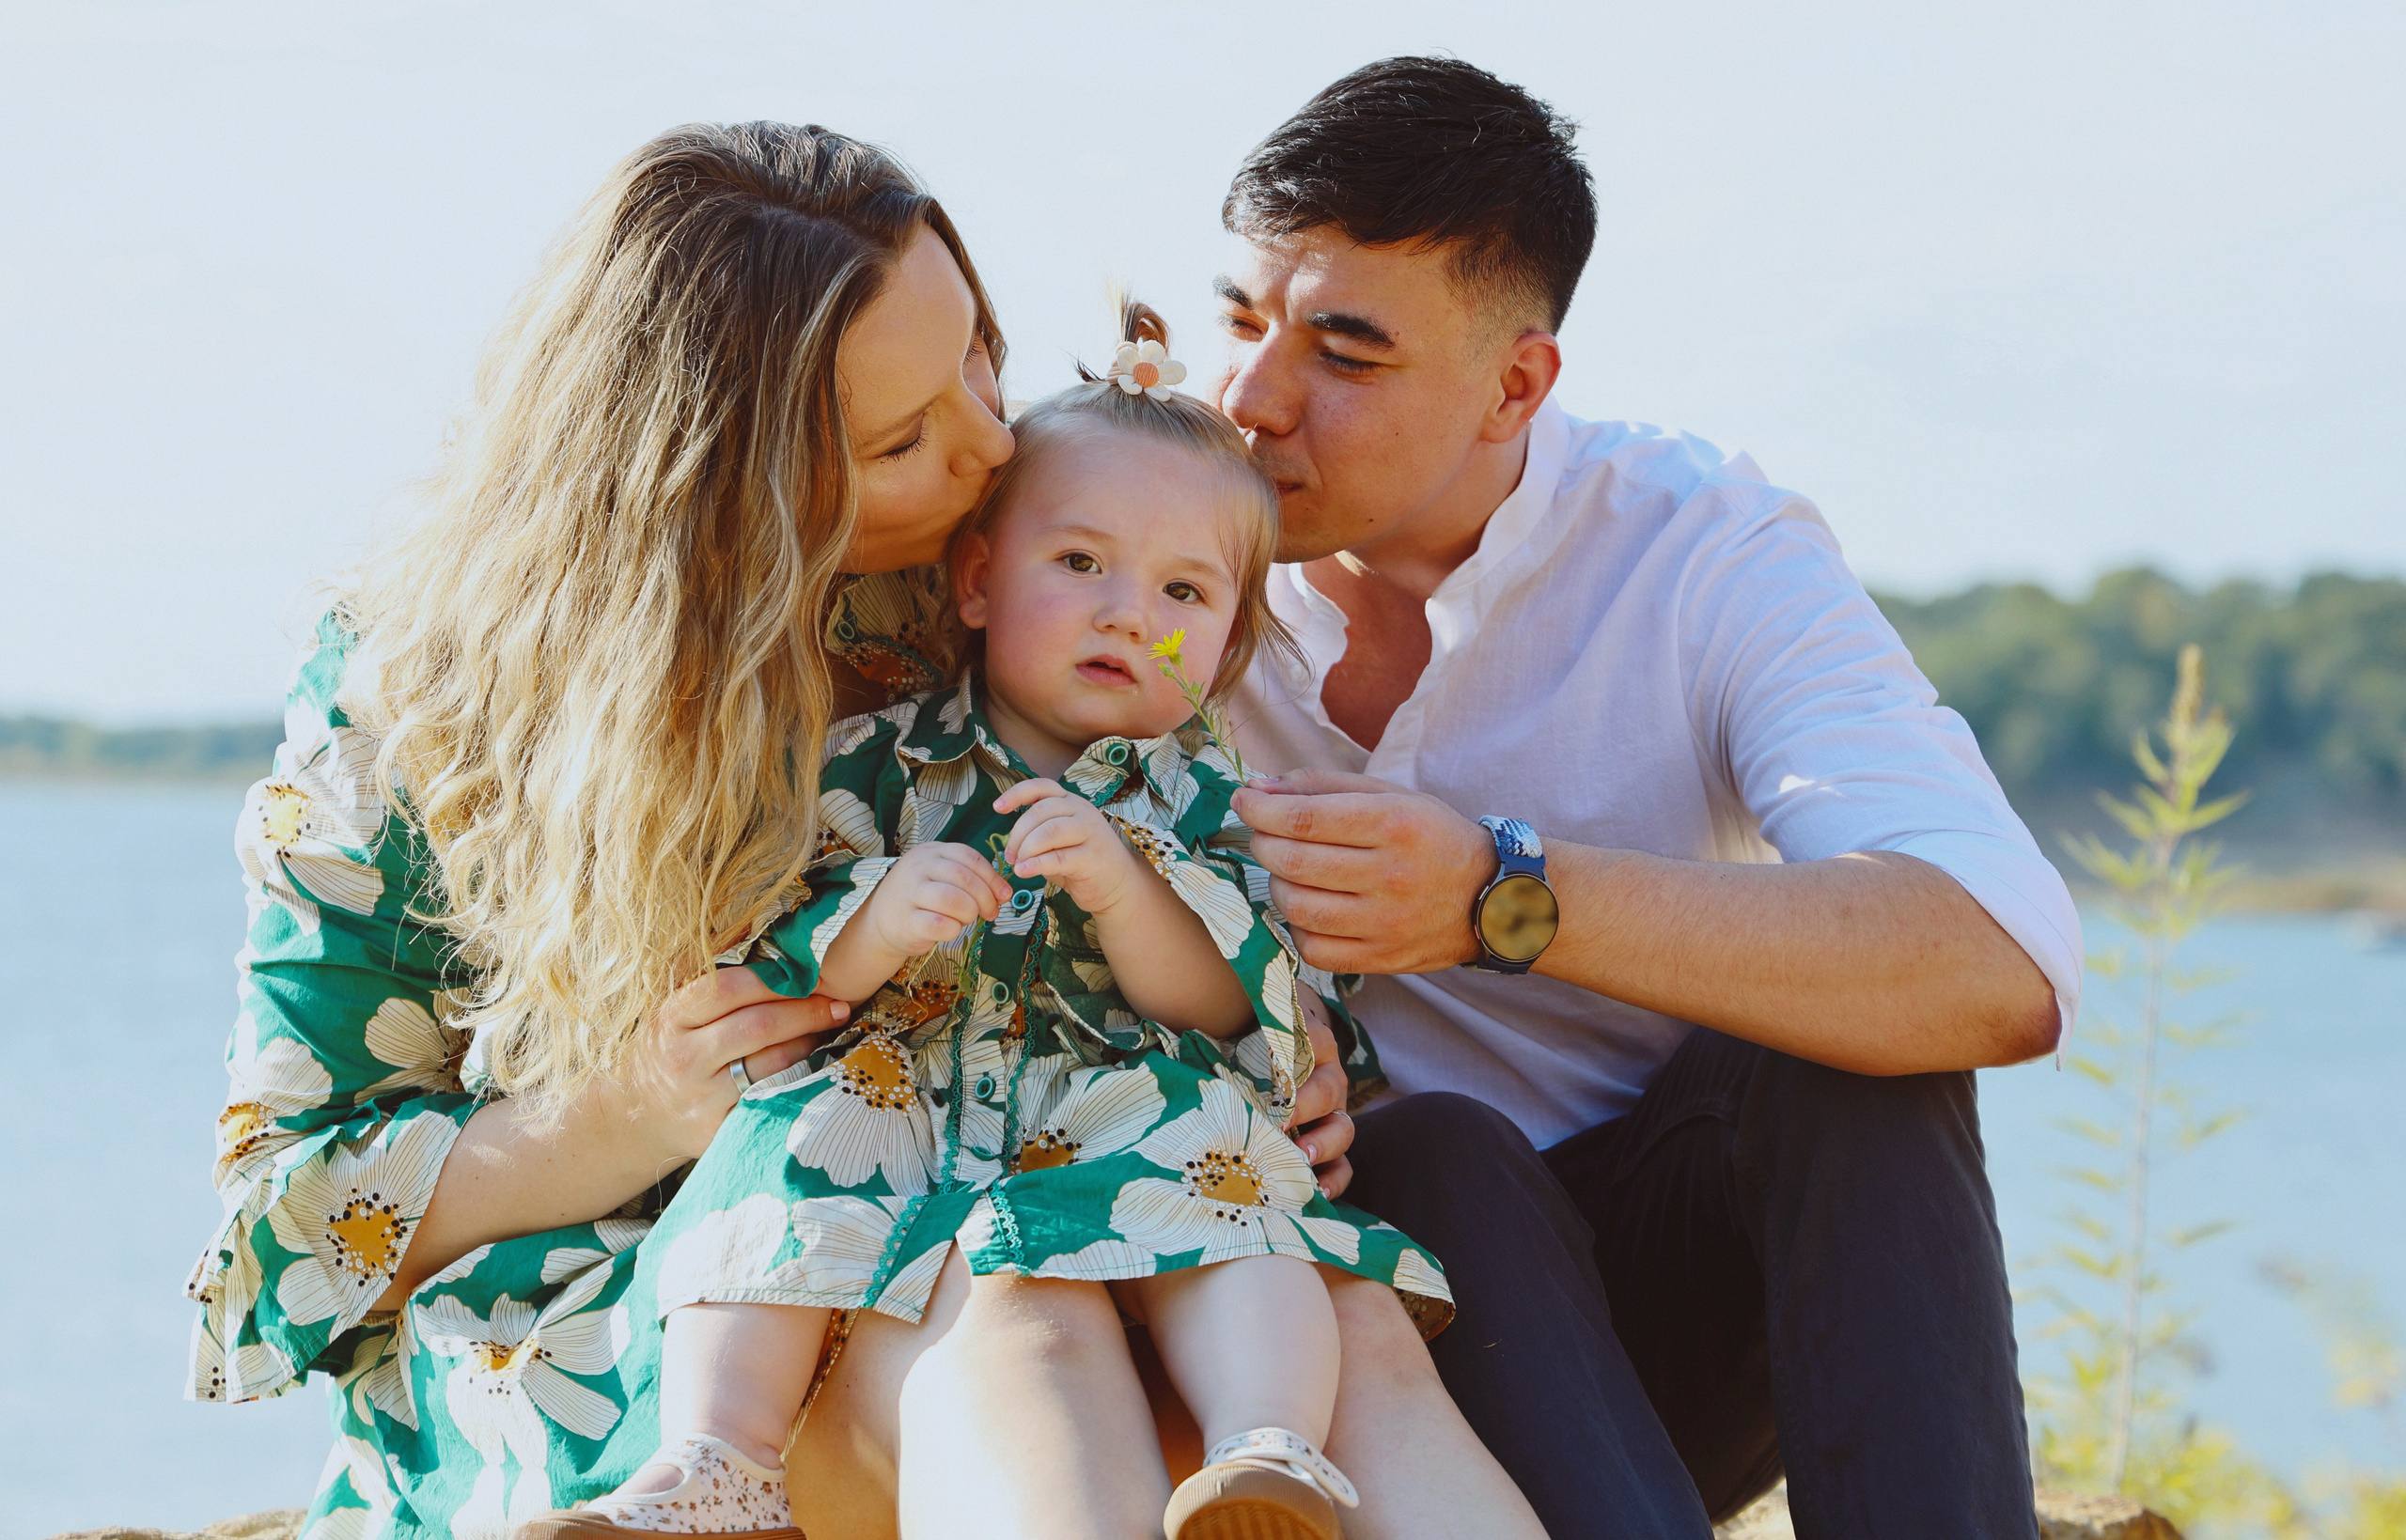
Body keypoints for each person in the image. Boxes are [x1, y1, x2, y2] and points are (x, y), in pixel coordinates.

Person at [187, 121, 1488, 1540]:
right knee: (1011, 1308)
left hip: (1040, 1180)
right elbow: (274, 1239)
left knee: (1336, 1320)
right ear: (719, 485)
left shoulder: (1018, 564)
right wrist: (634, 1107)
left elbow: (1187, 845)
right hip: (658, 1308)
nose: (992, 442)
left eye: (977, 358)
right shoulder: (418, 702)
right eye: (903, 438)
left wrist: (1276, 1047)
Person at [1209, 58, 2086, 1540]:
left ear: (1516, 386)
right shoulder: (1126, 543)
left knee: (1844, 1063)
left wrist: (1499, 897)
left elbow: (1999, 961)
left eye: (1344, 354)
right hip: (1340, 1354)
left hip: (1675, 1314)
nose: (1252, 398)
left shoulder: (1702, 549)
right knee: (1430, 1145)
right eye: (1240, 321)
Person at [529, 304, 1528, 1540]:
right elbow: (774, 938)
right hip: (896, 1102)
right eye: (1081, 564)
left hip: (1127, 1111)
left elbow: (1238, 999)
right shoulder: (872, 762)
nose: (1128, 613)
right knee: (766, 1172)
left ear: (1223, 644)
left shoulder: (1212, 802)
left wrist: (1128, 890)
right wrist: (876, 922)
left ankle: (1264, 1443)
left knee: (1245, 1213)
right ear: (978, 580)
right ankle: (720, 1461)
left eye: (1182, 590)